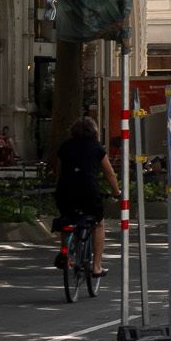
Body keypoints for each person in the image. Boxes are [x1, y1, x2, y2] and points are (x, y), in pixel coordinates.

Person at [53, 117, 121, 278]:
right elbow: (109, 174)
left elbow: (58, 171)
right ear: (94, 132)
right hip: (88, 191)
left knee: (66, 219)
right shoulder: (97, 148)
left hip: (65, 191)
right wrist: (116, 192)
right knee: (98, 224)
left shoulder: (65, 146)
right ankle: (96, 266)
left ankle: (66, 255)